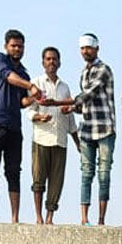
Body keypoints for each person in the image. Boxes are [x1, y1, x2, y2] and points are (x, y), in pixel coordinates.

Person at [0, 29, 42, 223]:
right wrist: (30, 86)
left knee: (14, 172)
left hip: (14, 127)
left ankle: (15, 217)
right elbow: (8, 77)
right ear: (6, 46)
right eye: (13, 45)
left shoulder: (24, 73)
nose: (17, 49)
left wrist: (35, 97)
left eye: (20, 46)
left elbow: (21, 102)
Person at [25, 46, 80, 225]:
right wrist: (39, 117)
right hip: (41, 137)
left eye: (54, 59)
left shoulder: (65, 88)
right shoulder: (36, 83)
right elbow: (29, 111)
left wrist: (77, 141)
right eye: (48, 59)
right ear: (43, 62)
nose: (51, 62)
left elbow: (70, 116)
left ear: (59, 62)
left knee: (56, 182)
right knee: (38, 179)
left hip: (60, 140)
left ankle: (49, 218)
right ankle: (39, 217)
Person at [69, 34, 117, 226]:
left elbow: (89, 93)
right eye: (82, 48)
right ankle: (84, 218)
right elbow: (84, 104)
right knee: (87, 172)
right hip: (87, 128)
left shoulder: (103, 69)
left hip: (104, 127)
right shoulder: (83, 72)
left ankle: (101, 219)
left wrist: (68, 103)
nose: (85, 51)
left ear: (96, 48)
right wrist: (73, 107)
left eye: (88, 48)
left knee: (104, 173)